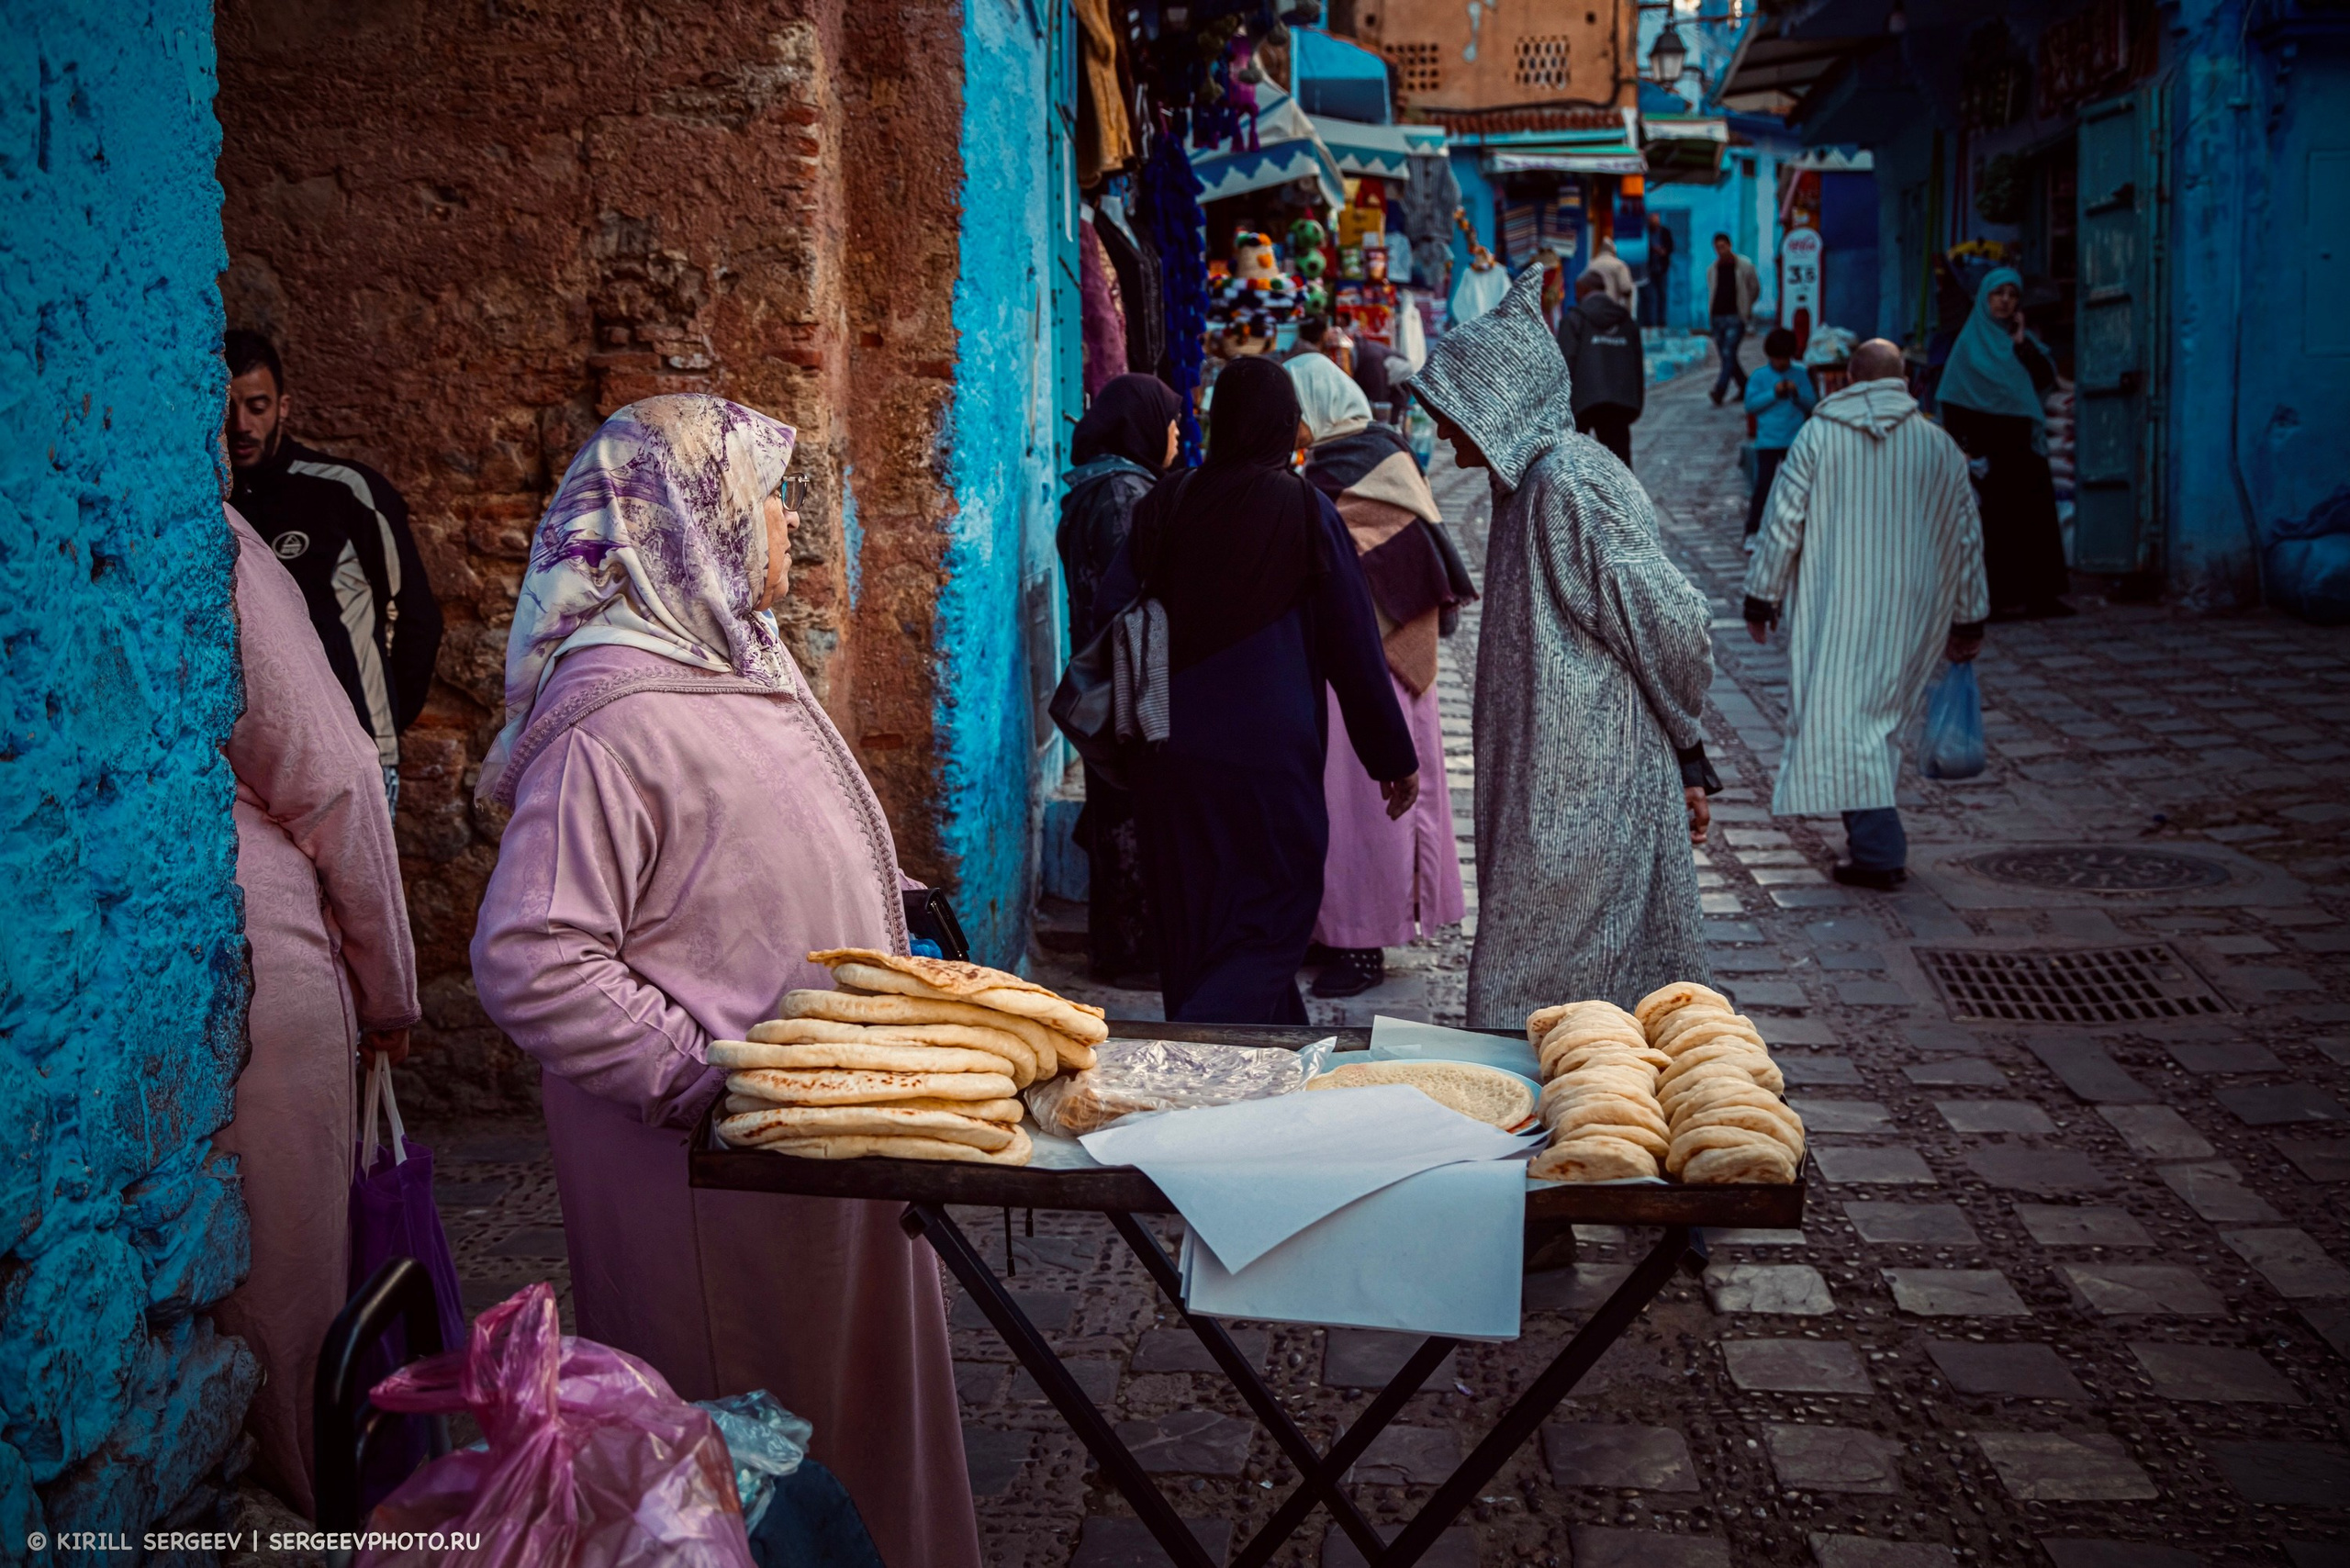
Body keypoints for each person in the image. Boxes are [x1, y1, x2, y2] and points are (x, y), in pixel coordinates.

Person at [469, 395, 981, 1568]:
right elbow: (530, 954)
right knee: (745, 1445)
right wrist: (702, 1073)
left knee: (849, 1414)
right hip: (710, 1169)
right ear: (688, 521)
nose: (790, 522)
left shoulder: (737, 655)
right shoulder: (610, 718)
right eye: (766, 497)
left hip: (813, 1142)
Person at [1406, 267, 1718, 1025]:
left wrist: (1687, 751)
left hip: (1593, 794)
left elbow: (1673, 620)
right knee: (1558, 988)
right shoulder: (1528, 486)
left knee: (1559, 995)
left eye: (1457, 414)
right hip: (1554, 788)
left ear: (1500, 404)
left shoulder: (1570, 484)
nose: (1446, 434)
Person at [1100, 356, 1420, 1023]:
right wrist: (1391, 758)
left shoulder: (1166, 501)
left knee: (1195, 919)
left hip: (1171, 756)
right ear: (1280, 422)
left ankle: (1256, 1073)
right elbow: (1352, 645)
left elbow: (1111, 610)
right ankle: (1197, 1044)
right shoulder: (1305, 510)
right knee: (1273, 915)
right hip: (1270, 760)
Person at [211, 502, 420, 1517]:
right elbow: (333, 775)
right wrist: (389, 991)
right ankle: (317, 1521)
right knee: (290, 1306)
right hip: (261, 973)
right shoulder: (215, 545)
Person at [1741, 340, 1989, 890]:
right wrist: (1968, 618)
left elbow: (1783, 521)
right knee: (1878, 719)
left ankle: (1879, 847)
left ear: (1849, 379)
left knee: (1846, 719)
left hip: (1840, 600)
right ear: (1904, 381)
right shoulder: (1938, 446)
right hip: (1915, 606)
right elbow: (1966, 537)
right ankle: (1874, 840)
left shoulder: (1818, 437)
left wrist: (1762, 597)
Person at [1286, 353, 1470, 1000]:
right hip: (1353, 660)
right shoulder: (1366, 454)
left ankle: (1362, 940)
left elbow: (1381, 562)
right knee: (1340, 804)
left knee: (1365, 807)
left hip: (1374, 664)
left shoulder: (1355, 464)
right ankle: (1334, 925)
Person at [224, 330, 442, 805]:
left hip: (355, 756)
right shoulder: (209, 506)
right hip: (256, 764)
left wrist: (378, 726)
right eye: (228, 407)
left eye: (257, 407)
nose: (241, 424)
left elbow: (417, 618)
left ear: (283, 406)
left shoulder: (346, 492)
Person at [1058, 375, 1182, 985]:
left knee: (1119, 806)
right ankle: (1131, 952)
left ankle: (1125, 944)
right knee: (1130, 811)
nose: (1178, 433)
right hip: (1124, 677)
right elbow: (1135, 592)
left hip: (1107, 671)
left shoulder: (1099, 487)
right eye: (1170, 421)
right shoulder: (1123, 495)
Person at [1935, 267, 2072, 620]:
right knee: (1994, 526)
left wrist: (2020, 340)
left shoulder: (2025, 346)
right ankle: (1994, 600)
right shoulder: (1968, 347)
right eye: (1999, 294)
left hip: (2024, 448)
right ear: (1985, 298)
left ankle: (2042, 596)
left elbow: (2044, 379)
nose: (2006, 301)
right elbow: (1953, 398)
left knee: (2035, 522)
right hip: (1988, 452)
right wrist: (1963, 450)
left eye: (2012, 295)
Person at [1557, 269, 1646, 469]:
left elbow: (1563, 363)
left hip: (1583, 402)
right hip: (1619, 401)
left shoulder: (1574, 320)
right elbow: (1636, 363)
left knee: (1574, 464)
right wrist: (1636, 402)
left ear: (1583, 290)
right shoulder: (1626, 321)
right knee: (1620, 464)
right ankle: (1623, 499)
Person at [1743, 328, 1817, 545]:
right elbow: (1751, 406)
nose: (1781, 363)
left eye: (1785, 359)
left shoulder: (1800, 375)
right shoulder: (1760, 377)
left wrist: (1796, 394)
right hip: (1768, 442)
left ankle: (1799, 531)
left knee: (1799, 488)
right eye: (1777, 359)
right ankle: (1752, 531)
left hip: (1794, 441)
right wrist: (1774, 393)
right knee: (1763, 487)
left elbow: (1812, 404)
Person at [1705, 233, 1761, 407]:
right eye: (1717, 247)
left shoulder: (1744, 265)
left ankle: (1719, 390)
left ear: (1729, 245)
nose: (1720, 250)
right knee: (1727, 356)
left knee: (1729, 353)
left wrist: (1746, 307)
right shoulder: (1713, 269)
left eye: (1723, 246)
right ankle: (1745, 385)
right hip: (1717, 316)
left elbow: (1755, 288)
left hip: (1736, 316)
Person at [1642, 213, 1676, 329]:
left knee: (1662, 296)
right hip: (1649, 270)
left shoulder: (1665, 232)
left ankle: (1661, 322)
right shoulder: (1646, 233)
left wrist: (1663, 252)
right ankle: (1650, 322)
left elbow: (1671, 247)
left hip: (1662, 269)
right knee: (1649, 297)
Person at [1585, 235, 1636, 308]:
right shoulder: (1619, 265)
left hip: (1595, 309)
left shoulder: (1591, 264)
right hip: (1612, 308)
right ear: (1614, 251)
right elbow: (1626, 288)